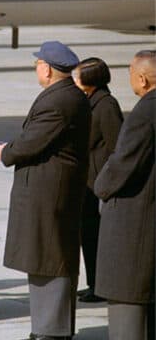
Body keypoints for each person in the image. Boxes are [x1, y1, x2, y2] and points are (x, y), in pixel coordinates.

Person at [0, 41, 91, 340]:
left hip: (51, 194)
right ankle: (47, 327)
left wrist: (7, 152)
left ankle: (52, 330)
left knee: (51, 259)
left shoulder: (58, 101)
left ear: (47, 69)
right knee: (44, 258)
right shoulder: (65, 96)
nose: (36, 67)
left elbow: (31, 142)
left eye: (38, 63)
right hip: (49, 192)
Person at [94, 50, 155, 340]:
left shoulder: (144, 113)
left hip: (135, 225)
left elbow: (123, 163)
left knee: (127, 315)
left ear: (142, 79)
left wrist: (101, 186)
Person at [72, 58, 123, 303]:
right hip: (87, 184)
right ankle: (94, 282)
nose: (74, 79)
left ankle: (100, 286)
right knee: (88, 236)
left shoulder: (106, 106)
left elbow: (117, 148)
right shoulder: (91, 102)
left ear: (90, 80)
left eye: (78, 76)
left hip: (98, 183)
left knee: (96, 237)